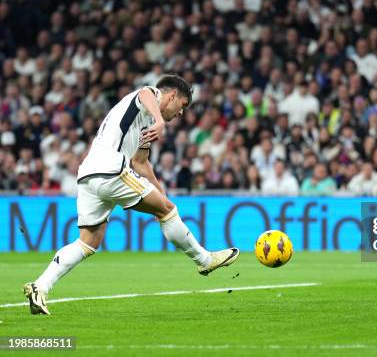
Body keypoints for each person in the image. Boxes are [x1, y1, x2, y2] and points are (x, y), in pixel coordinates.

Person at [24, 75, 239, 315]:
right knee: (167, 211)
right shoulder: (150, 98)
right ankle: (204, 260)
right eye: (183, 105)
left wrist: (161, 194)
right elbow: (144, 93)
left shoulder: (143, 121)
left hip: (89, 175)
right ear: (172, 97)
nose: (181, 113)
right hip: (111, 169)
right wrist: (160, 121)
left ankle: (39, 286)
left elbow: (141, 163)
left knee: (87, 242)